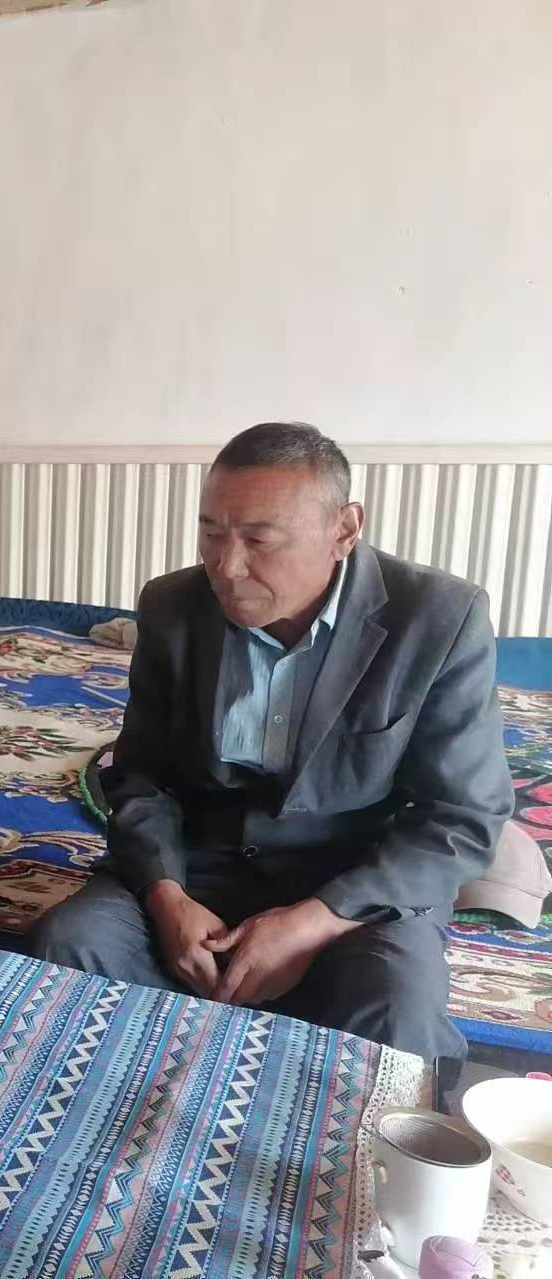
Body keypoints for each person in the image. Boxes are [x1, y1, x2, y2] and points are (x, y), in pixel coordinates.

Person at [32, 423, 514, 1062]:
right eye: (212, 533)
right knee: (69, 949)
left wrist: (315, 919)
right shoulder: (173, 607)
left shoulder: (437, 619)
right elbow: (141, 775)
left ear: (344, 530)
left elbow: (463, 816)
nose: (227, 567)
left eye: (259, 540)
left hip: (354, 883)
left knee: (397, 1013)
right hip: (198, 867)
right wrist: (166, 896)